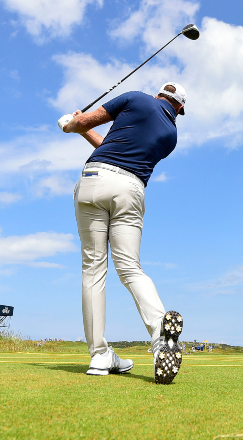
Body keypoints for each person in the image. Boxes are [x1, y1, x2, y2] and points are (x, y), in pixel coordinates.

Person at [61, 82, 187, 384]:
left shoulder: (135, 97)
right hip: (130, 188)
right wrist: (79, 126)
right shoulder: (171, 136)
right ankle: (160, 335)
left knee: (93, 269)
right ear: (179, 109)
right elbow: (115, 148)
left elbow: (92, 129)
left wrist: (70, 124)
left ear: (159, 94)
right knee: (130, 268)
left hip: (94, 179)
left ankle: (99, 355)